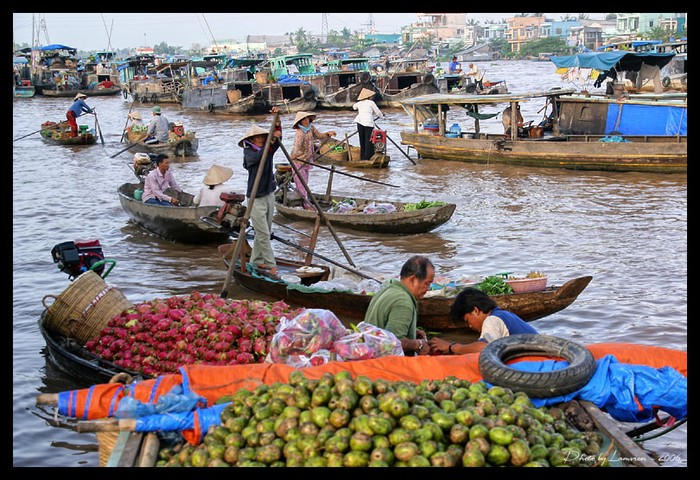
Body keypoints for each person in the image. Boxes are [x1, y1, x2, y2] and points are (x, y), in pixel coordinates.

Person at [429, 287, 538, 355]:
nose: (470, 326)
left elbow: (484, 348)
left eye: (467, 320)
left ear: (475, 310)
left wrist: (451, 347)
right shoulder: (503, 314)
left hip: (535, 362)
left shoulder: (492, 320)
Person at [239, 108, 283, 276]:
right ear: (250, 140)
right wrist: (269, 142)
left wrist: (277, 122)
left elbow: (277, 141)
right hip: (255, 196)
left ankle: (257, 261)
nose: (259, 140)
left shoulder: (268, 148)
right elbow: (257, 159)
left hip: (269, 192)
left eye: (261, 137)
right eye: (256, 138)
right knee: (264, 233)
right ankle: (271, 265)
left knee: (265, 230)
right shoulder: (249, 152)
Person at [364, 255, 435, 357]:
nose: (428, 288)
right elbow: (394, 342)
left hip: (368, 350)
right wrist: (419, 344)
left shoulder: (388, 289)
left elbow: (383, 329)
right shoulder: (404, 302)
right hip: (381, 361)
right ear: (413, 280)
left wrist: (412, 330)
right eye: (427, 283)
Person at [289, 111, 336, 209]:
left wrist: (328, 133)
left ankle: (305, 200)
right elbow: (296, 147)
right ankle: (306, 204)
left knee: (305, 182)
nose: (306, 121)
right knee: (301, 183)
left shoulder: (311, 128)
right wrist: (293, 155)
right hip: (299, 160)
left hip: (308, 158)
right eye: (304, 120)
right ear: (300, 122)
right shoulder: (299, 133)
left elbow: (319, 135)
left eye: (307, 119)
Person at [352, 88, 383, 161]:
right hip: (368, 123)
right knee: (369, 141)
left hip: (359, 122)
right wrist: (382, 116)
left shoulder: (359, 103)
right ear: (369, 97)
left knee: (362, 141)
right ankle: (368, 158)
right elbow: (378, 112)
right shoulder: (371, 103)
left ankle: (362, 157)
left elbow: (354, 107)